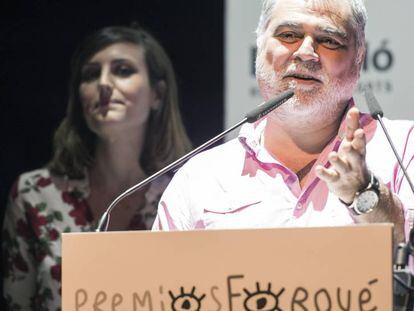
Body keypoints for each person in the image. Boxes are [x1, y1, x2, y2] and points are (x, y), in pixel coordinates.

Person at [153, 0, 414, 246]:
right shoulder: (201, 177)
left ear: (359, 57)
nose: (305, 53)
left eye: (328, 40)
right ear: (259, 46)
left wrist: (365, 194)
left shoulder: (404, 150)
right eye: (288, 35)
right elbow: (161, 285)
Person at [2, 25, 192, 310]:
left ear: (158, 95)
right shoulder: (34, 194)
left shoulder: (184, 194)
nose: (104, 84)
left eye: (123, 70)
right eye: (91, 74)